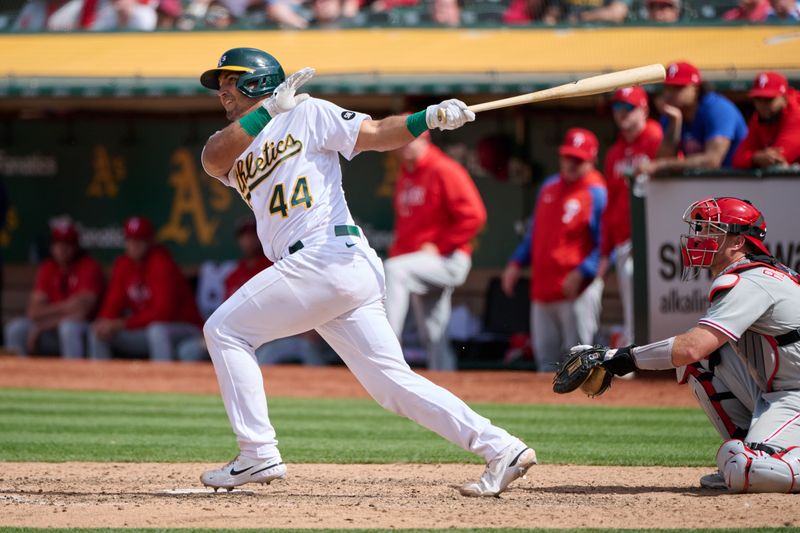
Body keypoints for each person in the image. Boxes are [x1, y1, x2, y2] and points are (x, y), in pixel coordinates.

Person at [196, 47, 536, 496]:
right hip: (329, 269)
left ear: (258, 80)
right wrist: (269, 111)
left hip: (326, 255)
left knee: (225, 331)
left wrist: (428, 119)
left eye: (230, 79)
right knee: (391, 385)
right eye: (219, 82)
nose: (222, 89)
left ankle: (258, 453)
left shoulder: (309, 112)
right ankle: (502, 447)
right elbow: (212, 159)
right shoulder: (235, 142)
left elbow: (375, 132)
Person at [577, 197, 800, 493]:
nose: (698, 238)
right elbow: (696, 353)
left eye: (710, 231)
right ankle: (759, 448)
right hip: (780, 389)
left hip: (793, 394)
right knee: (701, 362)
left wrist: (624, 358)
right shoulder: (752, 274)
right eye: (699, 229)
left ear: (736, 242)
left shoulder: (751, 281)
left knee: (744, 468)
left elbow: (690, 347)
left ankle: (761, 458)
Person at [500, 128, 607, 371]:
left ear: (592, 160)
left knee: (579, 361)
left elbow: (605, 245)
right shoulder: (549, 186)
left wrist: (584, 272)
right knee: (545, 362)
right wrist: (515, 263)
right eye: (567, 157)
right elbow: (534, 235)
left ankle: (583, 409)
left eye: (578, 160)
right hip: (544, 287)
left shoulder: (597, 192)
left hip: (576, 289)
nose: (570, 164)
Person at [384, 131, 486, 371]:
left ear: (425, 141)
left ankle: (385, 346)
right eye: (402, 140)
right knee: (433, 334)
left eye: (412, 140)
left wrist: (441, 245)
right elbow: (406, 228)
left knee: (393, 270)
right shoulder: (405, 175)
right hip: (421, 264)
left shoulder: (444, 169)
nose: (405, 146)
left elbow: (475, 216)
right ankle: (445, 378)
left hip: (448, 258)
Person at [88, 216, 203, 361]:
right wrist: (105, 321)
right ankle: (97, 382)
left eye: (139, 240)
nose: (134, 245)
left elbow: (163, 313)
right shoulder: (123, 264)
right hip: (145, 329)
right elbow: (112, 303)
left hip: (184, 328)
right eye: (130, 240)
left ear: (150, 241)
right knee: (98, 331)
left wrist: (121, 324)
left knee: (157, 330)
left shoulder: (161, 263)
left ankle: (162, 381)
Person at [600, 87, 663, 347]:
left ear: (644, 109)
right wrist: (605, 251)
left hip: (655, 236)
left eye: (628, 108)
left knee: (661, 302)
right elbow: (611, 203)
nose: (621, 114)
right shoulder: (615, 152)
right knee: (632, 309)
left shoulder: (657, 137)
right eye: (617, 109)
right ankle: (637, 356)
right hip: (625, 239)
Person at [4, 219, 104, 358]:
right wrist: (68, 306)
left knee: (68, 327)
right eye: (57, 243)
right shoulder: (48, 268)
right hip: (49, 331)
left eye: (67, 244)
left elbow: (81, 312)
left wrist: (44, 323)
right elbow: (33, 312)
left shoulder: (89, 266)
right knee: (15, 329)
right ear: (52, 246)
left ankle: (74, 375)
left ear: (76, 246)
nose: (61, 248)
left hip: (80, 331)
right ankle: (19, 377)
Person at [640, 61, 748, 175]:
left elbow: (712, 161)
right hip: (707, 186)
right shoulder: (672, 114)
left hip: (741, 184)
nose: (669, 94)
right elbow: (663, 158)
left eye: (677, 88)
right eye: (667, 87)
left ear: (695, 89)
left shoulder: (717, 108)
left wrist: (664, 165)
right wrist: (674, 121)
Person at [733, 71, 800, 169]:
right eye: (758, 99)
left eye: (769, 100)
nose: (762, 105)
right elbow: (737, 159)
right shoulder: (759, 117)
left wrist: (755, 157)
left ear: (784, 98)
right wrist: (756, 157)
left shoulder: (796, 115)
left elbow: (778, 159)